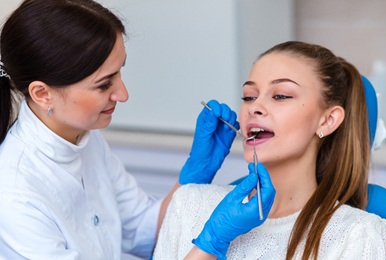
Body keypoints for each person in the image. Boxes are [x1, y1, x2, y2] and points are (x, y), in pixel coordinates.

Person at [0, 0, 276, 259]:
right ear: (42, 94)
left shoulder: (85, 138)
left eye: (120, 71)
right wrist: (211, 241)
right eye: (104, 84)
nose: (123, 93)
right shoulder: (14, 196)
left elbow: (143, 230)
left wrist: (193, 180)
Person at [153, 41, 386, 259]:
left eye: (280, 95)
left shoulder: (359, 235)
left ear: (327, 120)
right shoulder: (189, 204)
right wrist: (208, 245)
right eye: (248, 97)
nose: (254, 107)